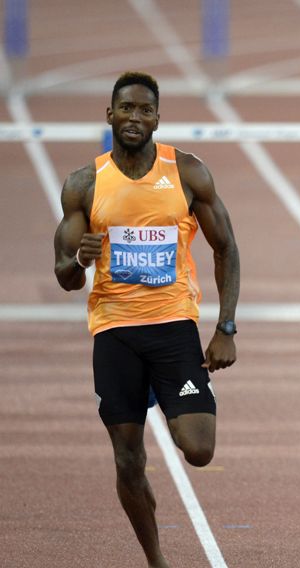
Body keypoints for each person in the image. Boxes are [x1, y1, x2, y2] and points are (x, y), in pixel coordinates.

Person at [53, 71, 240, 568]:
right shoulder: (84, 184)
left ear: (158, 117)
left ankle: (169, 392)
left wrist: (225, 327)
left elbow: (226, 248)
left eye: (145, 110)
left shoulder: (187, 172)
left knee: (198, 450)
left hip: (174, 326)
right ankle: (156, 559)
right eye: (126, 109)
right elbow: (64, 276)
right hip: (114, 333)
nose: (135, 118)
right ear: (109, 114)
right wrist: (79, 261)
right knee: (128, 461)